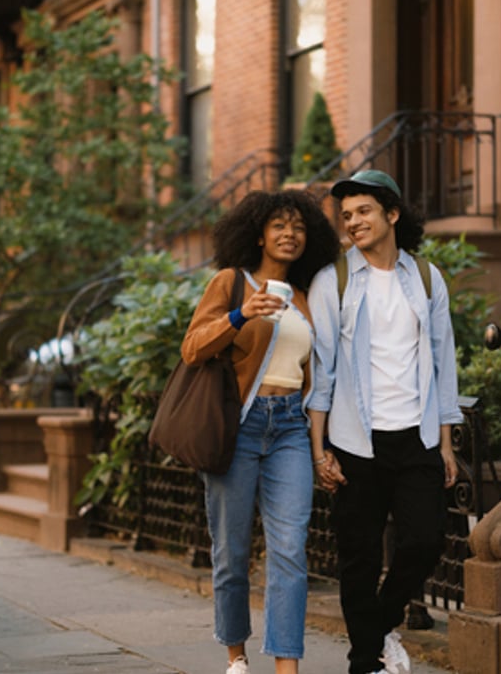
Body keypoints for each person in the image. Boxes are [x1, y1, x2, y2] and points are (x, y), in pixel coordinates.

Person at [180, 189, 341, 674]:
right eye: (279, 226)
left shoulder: (308, 299)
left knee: (290, 550)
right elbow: (192, 348)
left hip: (290, 427)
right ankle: (235, 656)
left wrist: (320, 448)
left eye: (298, 227)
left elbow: (317, 379)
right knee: (231, 553)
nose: (290, 234)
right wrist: (240, 315)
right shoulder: (232, 283)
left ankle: (286, 667)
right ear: (259, 235)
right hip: (242, 427)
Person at [306, 169, 461, 674]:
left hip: (414, 436)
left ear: (391, 213)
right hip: (355, 441)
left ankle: (377, 628)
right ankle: (365, 662)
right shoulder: (335, 280)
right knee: (359, 557)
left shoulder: (425, 276)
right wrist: (319, 449)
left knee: (425, 540)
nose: (353, 222)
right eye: (346, 215)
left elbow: (443, 360)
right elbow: (323, 370)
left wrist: (444, 442)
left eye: (364, 211)